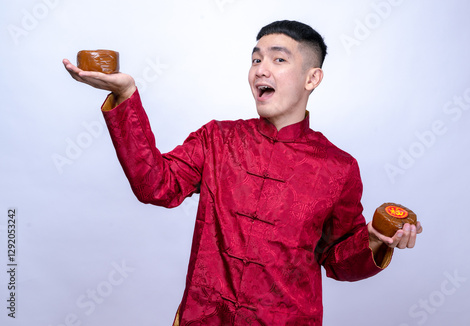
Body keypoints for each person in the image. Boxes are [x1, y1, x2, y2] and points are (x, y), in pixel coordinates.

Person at [63, 20, 422, 325]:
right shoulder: (218, 139)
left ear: (312, 78)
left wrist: (376, 239)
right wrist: (126, 95)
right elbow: (156, 185)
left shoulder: (339, 168)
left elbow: (338, 261)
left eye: (278, 59)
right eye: (256, 59)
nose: (261, 69)